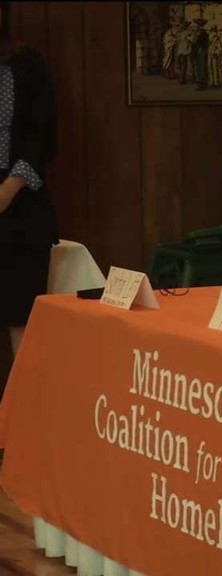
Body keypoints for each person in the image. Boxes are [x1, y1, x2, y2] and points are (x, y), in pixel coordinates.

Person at [0, 0, 59, 364]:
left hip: (21, 206)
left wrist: (9, 189)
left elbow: (43, 134)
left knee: (20, 318)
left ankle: (23, 399)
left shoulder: (27, 62)